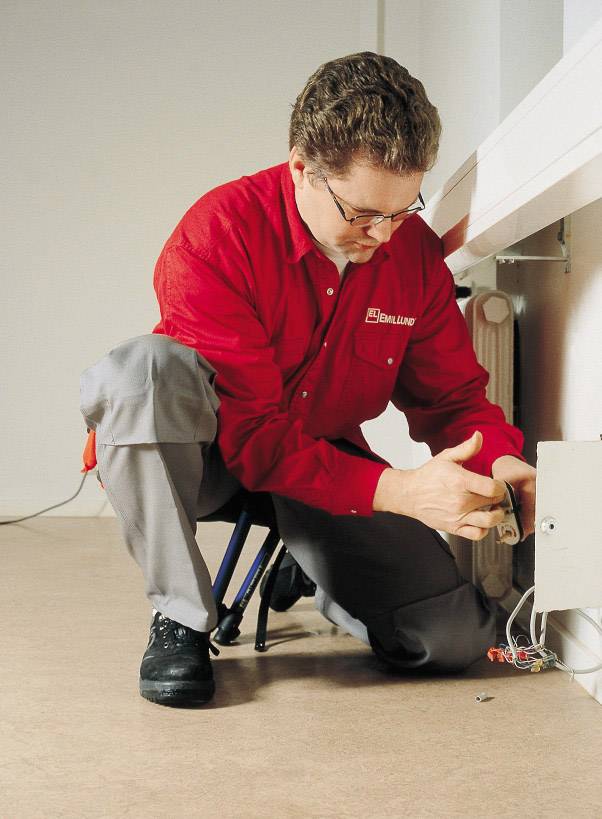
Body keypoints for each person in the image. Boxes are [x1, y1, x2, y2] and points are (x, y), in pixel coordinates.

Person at [79, 52, 537, 708]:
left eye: (403, 210)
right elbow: (257, 438)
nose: (382, 235)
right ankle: (180, 614)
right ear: (302, 166)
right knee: (138, 372)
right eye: (360, 213)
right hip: (212, 455)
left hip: (319, 460)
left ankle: (320, 571)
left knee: (452, 638)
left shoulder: (412, 255)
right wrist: (401, 491)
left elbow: (453, 398)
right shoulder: (218, 235)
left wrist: (504, 459)